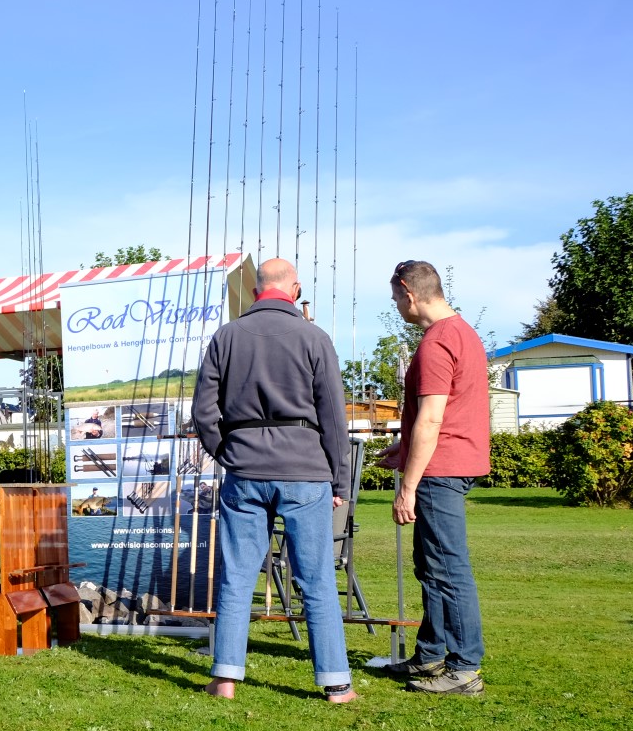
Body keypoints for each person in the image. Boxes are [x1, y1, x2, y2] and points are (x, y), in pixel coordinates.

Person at [191, 257, 356, 703]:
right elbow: (334, 419)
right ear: (295, 289)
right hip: (305, 471)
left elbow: (204, 413)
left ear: (255, 290)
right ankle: (336, 684)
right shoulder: (314, 337)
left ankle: (225, 676)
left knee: (237, 576)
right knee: (316, 578)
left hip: (244, 470)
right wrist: (340, 480)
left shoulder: (226, 337)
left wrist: (226, 452)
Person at [377, 260, 491, 696]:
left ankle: (464, 668)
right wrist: (404, 450)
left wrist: (408, 485)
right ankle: (431, 655)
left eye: (394, 298)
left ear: (408, 291)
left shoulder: (437, 342)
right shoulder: (461, 332)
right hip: (451, 462)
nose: (396, 306)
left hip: (441, 470)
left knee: (447, 568)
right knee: (431, 565)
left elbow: (431, 419)